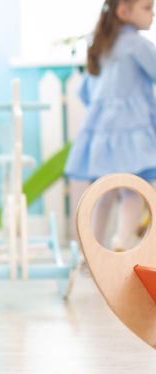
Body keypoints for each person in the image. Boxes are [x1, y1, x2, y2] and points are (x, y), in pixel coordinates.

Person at [66, 0, 156, 250]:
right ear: (124, 12)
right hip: (132, 129)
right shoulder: (138, 45)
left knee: (104, 191)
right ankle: (123, 242)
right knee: (133, 188)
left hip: (101, 131)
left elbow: (85, 92)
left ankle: (92, 250)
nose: (153, 13)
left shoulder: (100, 46)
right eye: (147, 8)